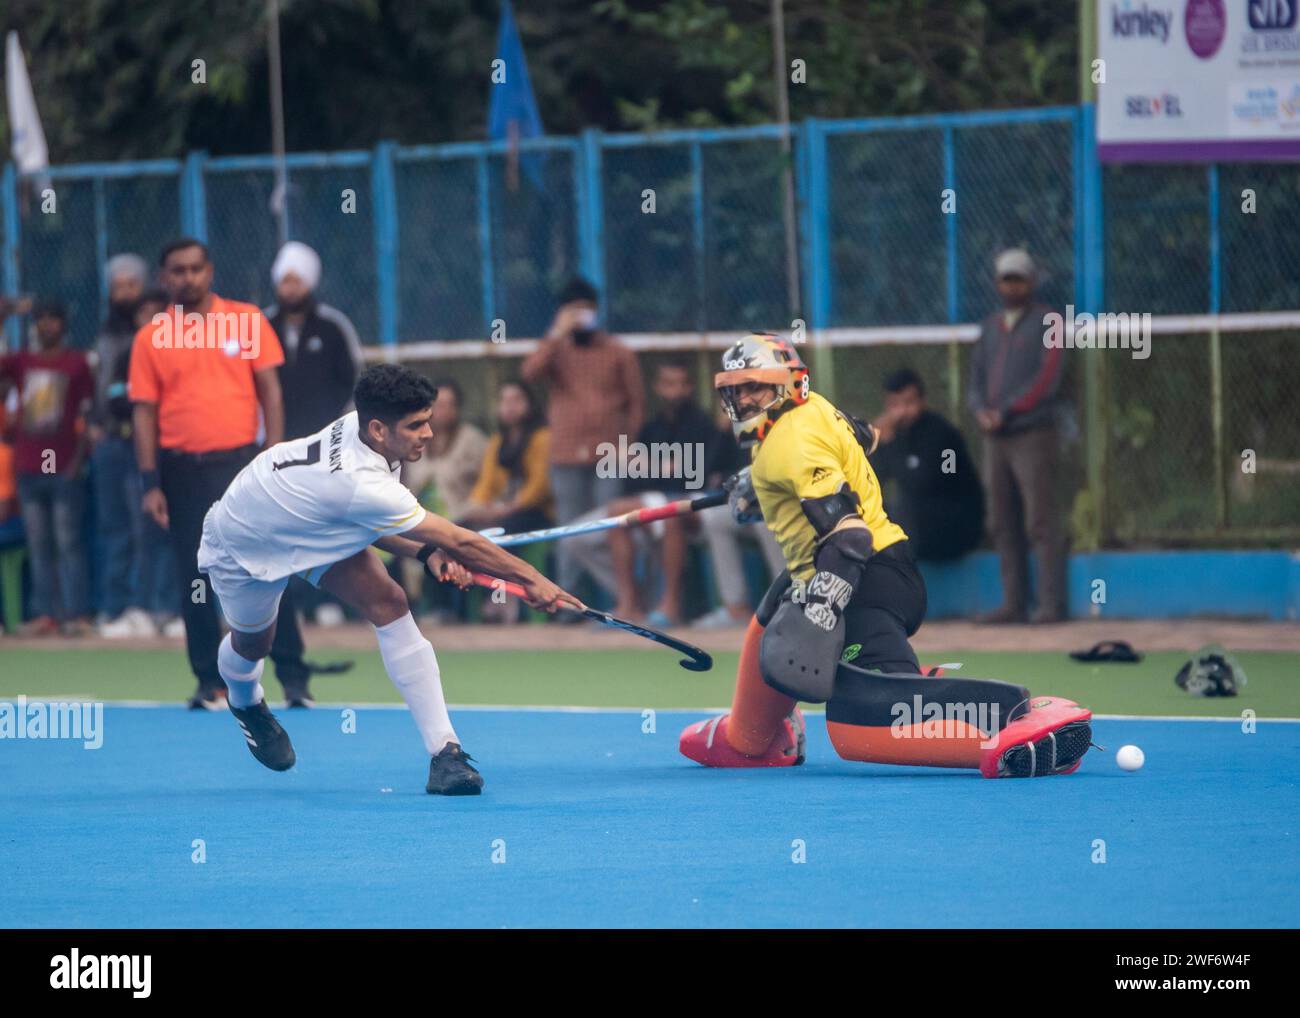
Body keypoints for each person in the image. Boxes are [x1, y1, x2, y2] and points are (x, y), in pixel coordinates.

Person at [677, 333, 1091, 779]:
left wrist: (822, 609)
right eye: (735, 391)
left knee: (859, 724)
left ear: (788, 385)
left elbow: (849, 536)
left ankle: (1017, 722)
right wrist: (761, 483)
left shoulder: (788, 445)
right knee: (773, 611)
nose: (743, 401)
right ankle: (750, 738)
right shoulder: (812, 408)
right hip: (871, 566)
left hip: (863, 578)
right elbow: (863, 436)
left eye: (754, 387)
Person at [196, 364, 582, 794]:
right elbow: (460, 539)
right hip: (246, 541)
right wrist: (532, 579)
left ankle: (445, 755)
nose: (429, 434)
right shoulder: (359, 480)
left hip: (312, 521)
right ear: (378, 428)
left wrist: (427, 551)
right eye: (416, 425)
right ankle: (245, 702)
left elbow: (368, 521)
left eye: (428, 421)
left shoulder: (365, 434)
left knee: (390, 600)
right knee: (253, 645)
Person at [128, 237, 312, 708]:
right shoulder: (151, 337)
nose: (187, 277)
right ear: (164, 277)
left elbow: (270, 390)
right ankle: (210, 681)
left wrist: (274, 458)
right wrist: (150, 481)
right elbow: (144, 411)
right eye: (177, 270)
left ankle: (293, 677)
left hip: (242, 466)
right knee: (195, 576)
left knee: (272, 565)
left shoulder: (247, 320)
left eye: (195, 268)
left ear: (210, 271)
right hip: (182, 470)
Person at [264, 240, 366, 629]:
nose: (290, 288)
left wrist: (343, 440)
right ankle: (283, 605)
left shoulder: (333, 327)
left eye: (297, 281)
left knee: (324, 525)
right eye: (284, 280)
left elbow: (354, 382)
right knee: (281, 525)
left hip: (325, 448)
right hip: (274, 447)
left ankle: (326, 601)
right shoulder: (261, 326)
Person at [520, 278, 643, 596]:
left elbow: (636, 403)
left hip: (609, 456)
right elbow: (529, 374)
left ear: (596, 311)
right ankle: (566, 602)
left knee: (612, 528)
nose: (580, 317)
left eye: (585, 310)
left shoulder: (618, 351)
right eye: (572, 311)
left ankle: (625, 599)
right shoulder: (555, 350)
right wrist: (555, 333)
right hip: (564, 455)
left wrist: (628, 446)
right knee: (569, 532)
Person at [967, 248, 1067, 624]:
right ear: (997, 283)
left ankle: (1050, 606)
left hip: (1033, 433)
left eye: (1018, 279)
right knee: (1001, 520)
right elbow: (974, 379)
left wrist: (1007, 411)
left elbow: (1046, 380)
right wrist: (981, 410)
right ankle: (1013, 603)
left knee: (1040, 520)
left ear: (1032, 281)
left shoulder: (1049, 321)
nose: (1012, 286)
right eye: (1006, 279)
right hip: (995, 437)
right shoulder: (991, 326)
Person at [0, 300, 94, 635]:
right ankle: (46, 615)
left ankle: (76, 614)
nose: (48, 325)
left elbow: (88, 414)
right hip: (29, 464)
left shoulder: (77, 363)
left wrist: (79, 460)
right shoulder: (22, 360)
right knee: (39, 542)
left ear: (63, 324)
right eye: (41, 319)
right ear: (35, 325)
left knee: (68, 540)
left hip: (62, 463)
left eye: (54, 318)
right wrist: (4, 314)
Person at [89, 254, 158, 637]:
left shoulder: (151, 337)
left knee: (143, 527)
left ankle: (142, 606)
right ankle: (113, 609)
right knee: (112, 527)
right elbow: (106, 391)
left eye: (132, 285)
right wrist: (96, 424)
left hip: (142, 444)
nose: (124, 293)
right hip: (109, 443)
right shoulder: (105, 334)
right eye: (118, 286)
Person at [870, 368, 984, 562]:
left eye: (908, 403)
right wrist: (873, 443)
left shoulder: (942, 435)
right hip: (921, 524)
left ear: (922, 401)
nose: (902, 412)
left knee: (905, 508)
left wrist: (890, 444)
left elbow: (920, 485)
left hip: (953, 527)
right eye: (894, 405)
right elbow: (873, 478)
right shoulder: (896, 432)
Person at [398, 378, 489, 617]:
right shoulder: (414, 439)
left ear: (458, 408)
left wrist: (478, 507)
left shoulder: (472, 440)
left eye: (450, 404)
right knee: (389, 542)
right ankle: (403, 607)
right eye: (438, 405)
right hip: (419, 516)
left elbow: (488, 484)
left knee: (442, 540)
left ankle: (445, 610)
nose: (443, 411)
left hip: (462, 516)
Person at [462, 380, 552, 535]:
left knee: (504, 529)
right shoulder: (497, 441)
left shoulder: (543, 438)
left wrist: (508, 508)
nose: (510, 407)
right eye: (504, 401)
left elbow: (540, 487)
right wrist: (476, 505)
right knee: (460, 527)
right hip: (503, 507)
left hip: (536, 511)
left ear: (530, 403)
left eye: (516, 400)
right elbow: (486, 482)